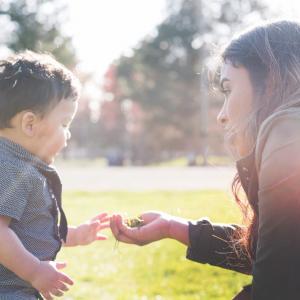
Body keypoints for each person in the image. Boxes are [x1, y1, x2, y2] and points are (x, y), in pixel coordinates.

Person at [110, 20, 300, 299]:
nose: (221, 115)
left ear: (270, 83)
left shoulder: (287, 133)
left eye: (228, 90)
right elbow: (278, 259)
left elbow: (275, 286)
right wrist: (172, 227)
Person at [0, 51, 110, 300]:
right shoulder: (10, 167)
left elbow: (32, 228)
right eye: (64, 124)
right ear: (30, 124)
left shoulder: (21, 165)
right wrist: (35, 270)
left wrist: (78, 234)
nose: (68, 134)